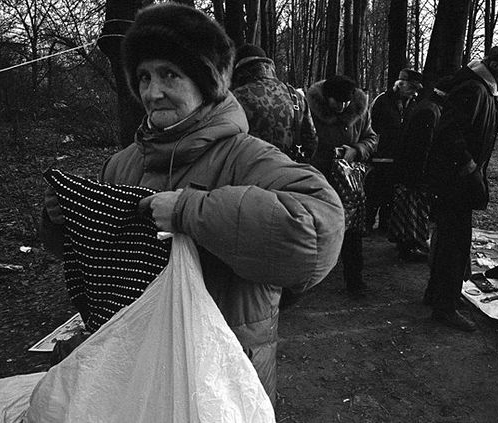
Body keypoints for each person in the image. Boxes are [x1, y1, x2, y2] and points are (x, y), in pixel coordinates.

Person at [40, 3, 345, 406]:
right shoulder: (122, 164)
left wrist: (190, 212)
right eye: (144, 77)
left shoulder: (246, 157)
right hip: (133, 371)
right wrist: (61, 221)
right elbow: (96, 254)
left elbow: (320, 233)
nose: (153, 92)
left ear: (206, 84)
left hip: (219, 377)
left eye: (170, 74)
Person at [424, 45, 498, 332]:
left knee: (450, 240)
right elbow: (449, 133)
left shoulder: (481, 89)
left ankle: (438, 294)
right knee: (454, 245)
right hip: (456, 182)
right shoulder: (473, 89)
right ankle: (444, 306)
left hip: (458, 180)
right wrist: (469, 166)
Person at [307, 75, 378, 295]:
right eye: (337, 102)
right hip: (318, 179)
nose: (343, 106)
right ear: (326, 98)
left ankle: (354, 281)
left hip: (349, 183)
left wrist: (356, 150)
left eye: (346, 102)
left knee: (352, 232)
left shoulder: (359, 111)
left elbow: (371, 138)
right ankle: (308, 279)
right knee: (315, 229)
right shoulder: (310, 111)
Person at [388, 75, 453, 262]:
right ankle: (409, 247)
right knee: (413, 210)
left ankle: (408, 245)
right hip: (415, 171)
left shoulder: (428, 107)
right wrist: (421, 176)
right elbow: (421, 147)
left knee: (409, 209)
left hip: (411, 169)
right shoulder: (430, 111)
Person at [231, 43, 317, 162]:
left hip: (248, 169)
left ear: (238, 69)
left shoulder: (234, 98)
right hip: (288, 169)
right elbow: (311, 142)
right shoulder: (296, 97)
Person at [367, 69, 423, 235]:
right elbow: (371, 128)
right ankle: (367, 223)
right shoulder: (381, 101)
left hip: (399, 157)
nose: (414, 92)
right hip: (381, 156)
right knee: (374, 192)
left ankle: (385, 225)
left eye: (416, 89)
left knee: (391, 194)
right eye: (411, 88)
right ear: (400, 84)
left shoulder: (413, 104)